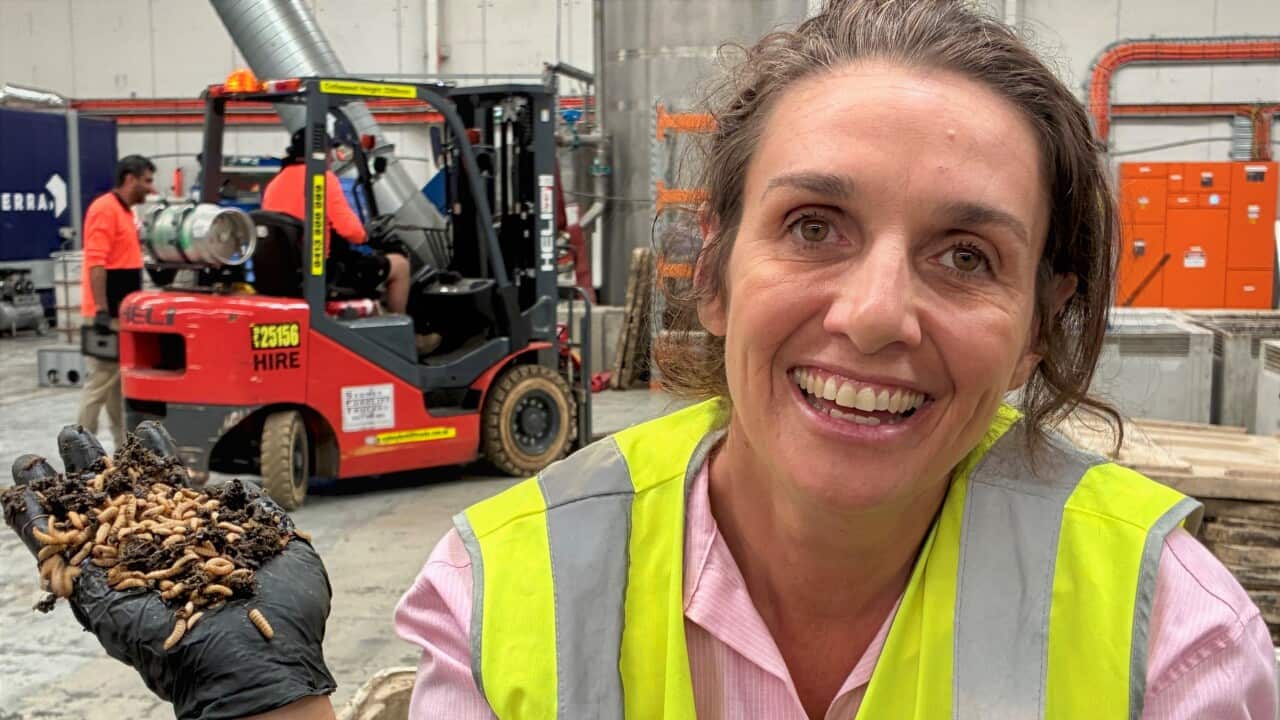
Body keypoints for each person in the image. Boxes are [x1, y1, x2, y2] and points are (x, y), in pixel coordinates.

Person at [5, 2, 1276, 719]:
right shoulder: (514, 579)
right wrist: (278, 713)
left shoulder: (1166, 637)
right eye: (814, 227)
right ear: (712, 272)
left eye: (963, 256)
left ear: (1036, 316)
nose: (877, 314)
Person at [261, 128, 412, 315]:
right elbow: (353, 233)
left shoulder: (275, 183)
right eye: (330, 152)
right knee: (400, 266)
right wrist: (367, 233)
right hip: (323, 272)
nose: (332, 159)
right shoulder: (322, 179)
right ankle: (399, 330)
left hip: (286, 272)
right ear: (322, 153)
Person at [77, 154, 154, 447]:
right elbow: (96, 263)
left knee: (117, 388)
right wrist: (100, 310)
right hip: (106, 315)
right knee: (99, 383)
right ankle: (81, 450)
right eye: (146, 181)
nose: (150, 188)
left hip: (120, 315)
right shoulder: (105, 210)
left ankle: (124, 451)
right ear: (130, 178)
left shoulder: (125, 212)